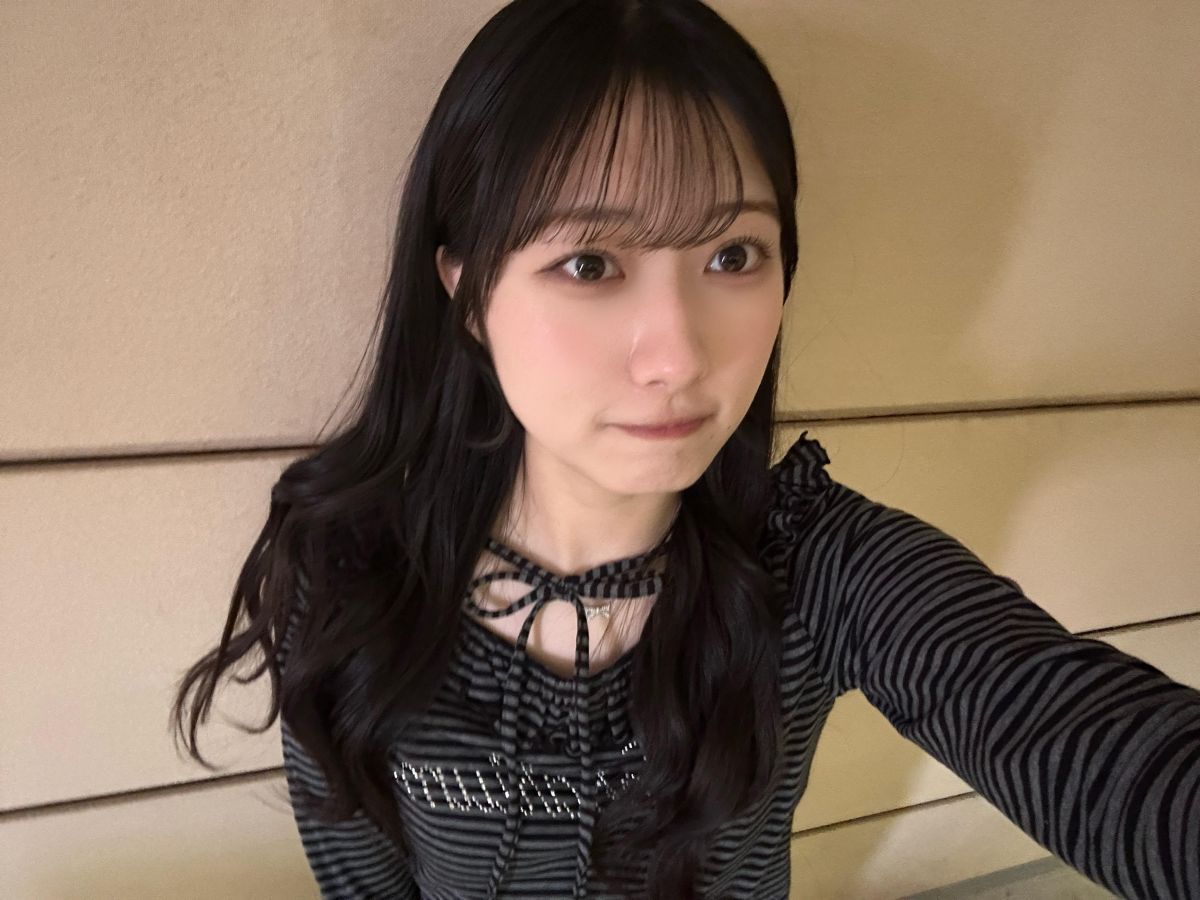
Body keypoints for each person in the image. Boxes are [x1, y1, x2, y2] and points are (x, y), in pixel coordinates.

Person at [171, 1, 1200, 898]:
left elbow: (1086, 739)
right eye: (590, 262)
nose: (678, 356)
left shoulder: (817, 570)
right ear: (468, 292)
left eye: (732, 254)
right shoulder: (351, 570)